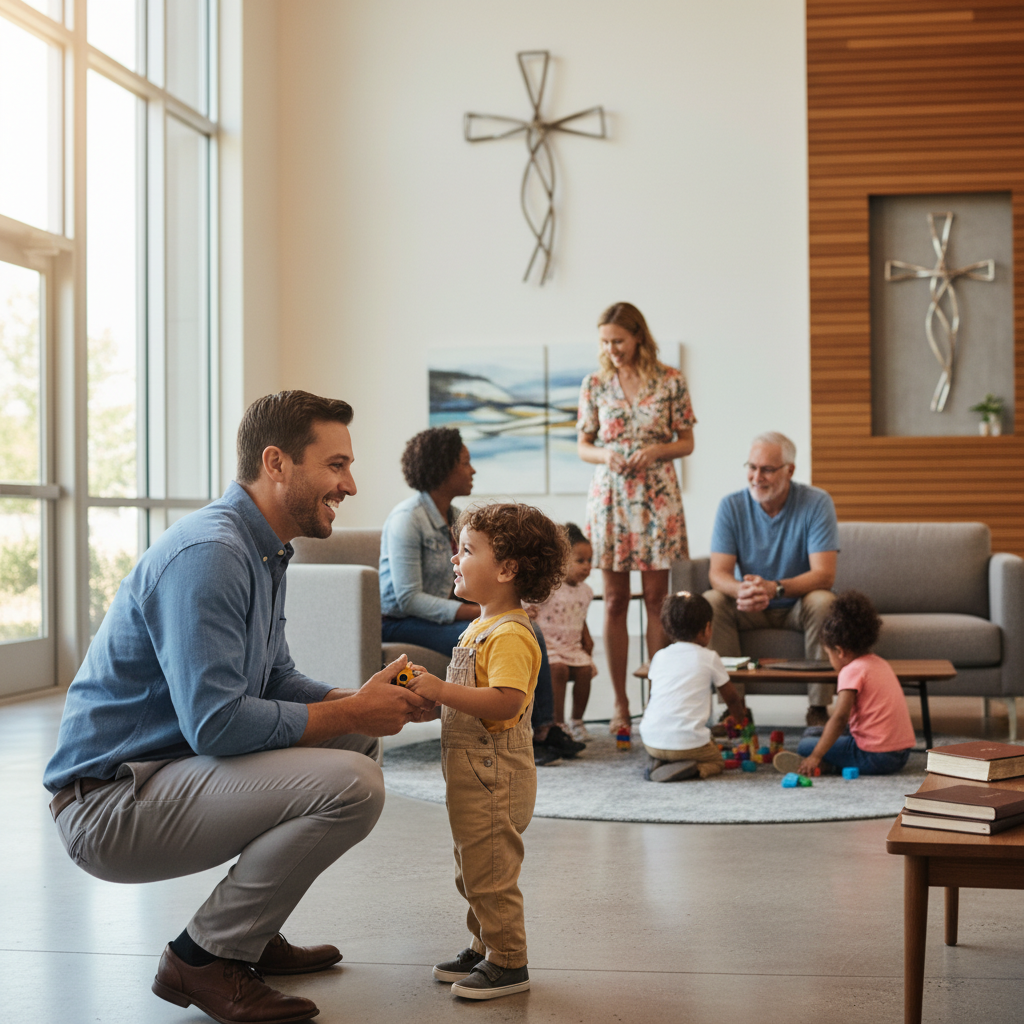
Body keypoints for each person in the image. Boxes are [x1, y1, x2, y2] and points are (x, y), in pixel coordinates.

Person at [43, 391, 436, 1024]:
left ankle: (246, 935)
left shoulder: (263, 550)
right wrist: (355, 711)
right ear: (276, 462)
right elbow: (218, 723)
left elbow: (275, 677)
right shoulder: (213, 554)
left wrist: (359, 701)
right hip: (108, 806)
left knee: (354, 744)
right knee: (355, 783)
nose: (351, 483)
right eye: (336, 465)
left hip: (168, 775)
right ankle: (201, 958)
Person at [403, 503, 569, 1000]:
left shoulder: (512, 634)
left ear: (506, 570)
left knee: (491, 873)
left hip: (495, 779)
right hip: (472, 775)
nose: (456, 558)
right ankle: (483, 945)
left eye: (468, 550)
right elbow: (470, 698)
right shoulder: (478, 627)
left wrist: (437, 689)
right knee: (473, 868)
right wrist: (433, 705)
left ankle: (509, 961)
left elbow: (506, 703)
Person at [379, 426, 581, 766]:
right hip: (402, 621)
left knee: (525, 634)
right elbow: (408, 599)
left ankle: (543, 728)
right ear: (442, 467)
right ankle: (542, 725)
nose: (472, 470)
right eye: (464, 462)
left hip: (493, 775)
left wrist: (496, 612)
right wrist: (479, 612)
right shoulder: (407, 520)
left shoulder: (457, 518)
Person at [577, 302, 696, 736]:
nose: (612, 350)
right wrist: (605, 454)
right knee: (612, 601)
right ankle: (622, 706)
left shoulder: (670, 381)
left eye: (619, 341)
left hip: (656, 496)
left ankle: (657, 700)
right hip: (610, 498)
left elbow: (686, 441)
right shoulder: (595, 384)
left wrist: (656, 450)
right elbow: (583, 445)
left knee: (655, 600)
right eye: (605, 342)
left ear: (638, 337)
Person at [706, 431, 839, 725]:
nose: (757, 476)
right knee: (712, 601)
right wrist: (744, 590)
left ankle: (818, 708)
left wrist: (775, 588)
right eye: (752, 467)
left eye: (767, 469)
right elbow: (718, 573)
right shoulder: (731, 506)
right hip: (749, 606)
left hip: (795, 605)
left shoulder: (817, 503)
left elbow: (824, 574)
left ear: (789, 470)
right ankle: (734, 708)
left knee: (823, 601)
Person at [773, 591, 916, 777]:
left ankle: (828, 766)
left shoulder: (851, 671)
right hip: (901, 754)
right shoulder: (880, 663)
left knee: (806, 745)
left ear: (839, 651)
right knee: (814, 731)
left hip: (876, 758)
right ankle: (831, 759)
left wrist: (816, 755)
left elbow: (840, 718)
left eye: (828, 654)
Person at [638, 592, 748, 782]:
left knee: (681, 746)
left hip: (650, 741)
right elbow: (731, 697)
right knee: (716, 761)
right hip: (688, 744)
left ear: (667, 628)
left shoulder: (659, 657)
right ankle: (693, 769)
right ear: (707, 628)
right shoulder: (709, 657)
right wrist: (739, 718)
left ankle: (660, 762)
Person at [523, 522, 597, 742]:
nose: (587, 566)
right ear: (562, 560)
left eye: (590, 561)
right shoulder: (549, 586)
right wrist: (529, 611)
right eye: (580, 561)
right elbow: (527, 603)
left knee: (585, 670)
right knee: (558, 670)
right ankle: (558, 722)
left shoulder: (587, 592)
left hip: (572, 646)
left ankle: (577, 720)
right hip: (550, 646)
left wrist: (587, 635)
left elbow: (579, 617)